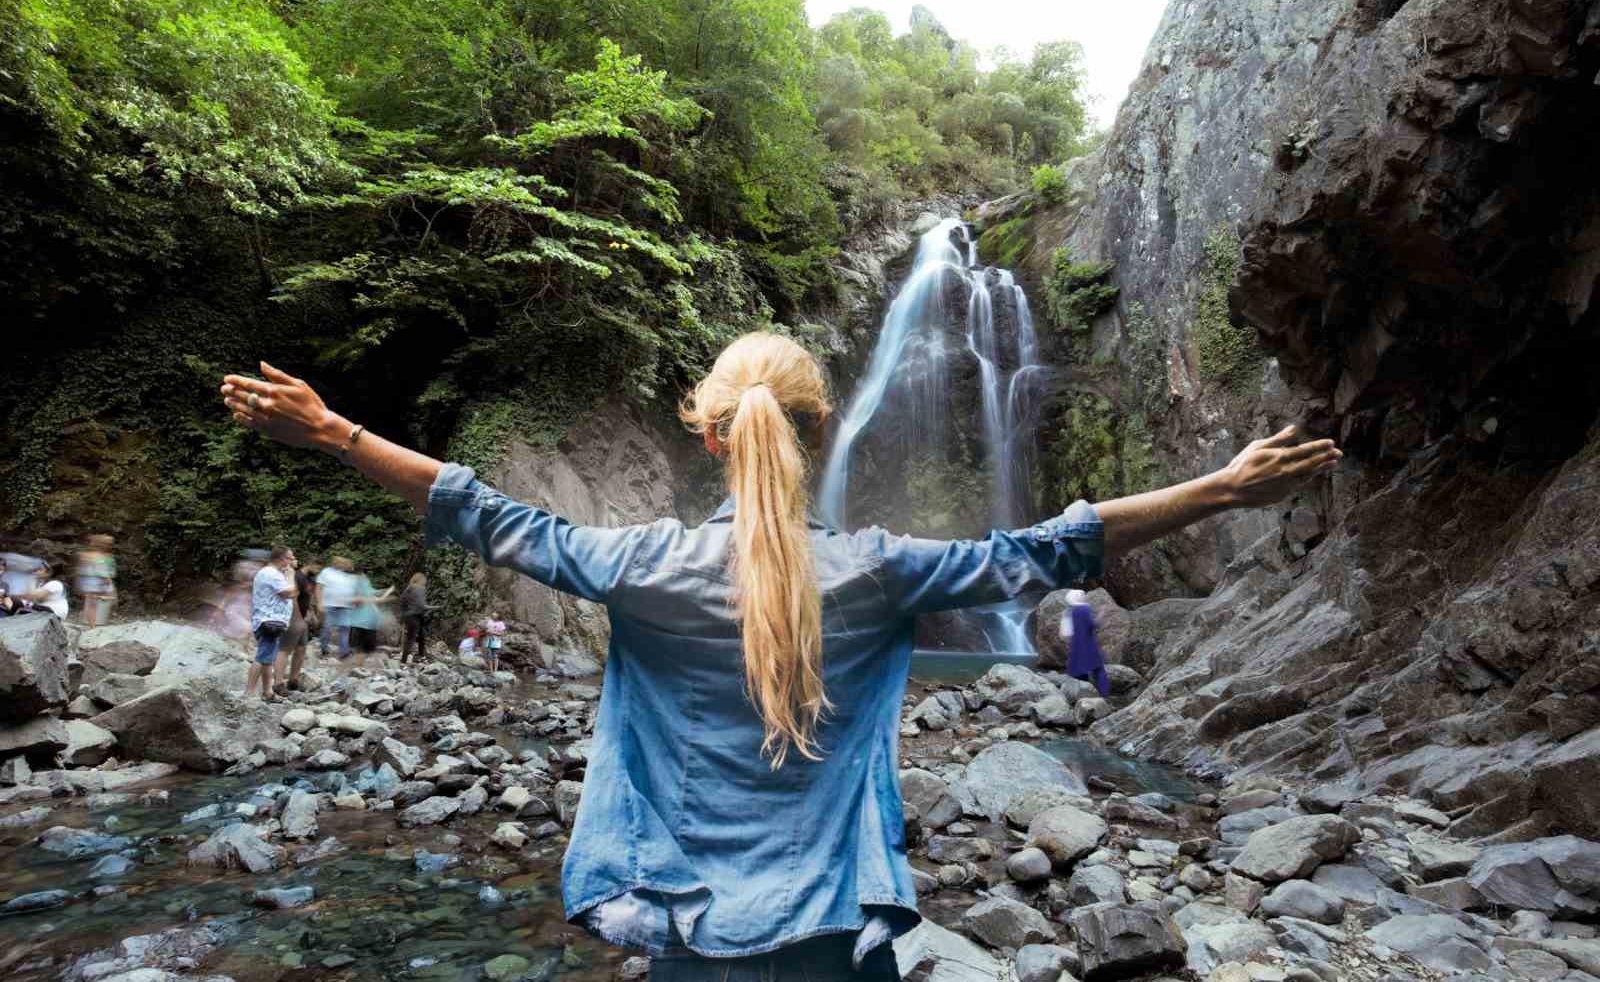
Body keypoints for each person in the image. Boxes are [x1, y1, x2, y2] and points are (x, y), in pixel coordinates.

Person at [221, 338, 1339, 976]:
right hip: (837, 933)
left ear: (708, 436)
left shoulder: (638, 563)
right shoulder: (881, 569)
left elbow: (488, 515)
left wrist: (331, 431)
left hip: (689, 928)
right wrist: (1225, 487)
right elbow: (1046, 548)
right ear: (812, 434)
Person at [248, 545, 297, 701]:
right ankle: (249, 693)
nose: (292, 561)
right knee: (262, 657)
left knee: (268, 658)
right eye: (290, 558)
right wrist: (290, 575)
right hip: (269, 620)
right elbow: (288, 592)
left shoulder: (269, 572)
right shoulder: (271, 574)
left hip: (267, 619)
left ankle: (268, 692)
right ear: (281, 558)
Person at [276, 558, 319, 691]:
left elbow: (307, 598)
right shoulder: (297, 576)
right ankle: (278, 683)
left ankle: (293, 681)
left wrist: (311, 613)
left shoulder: (309, 579)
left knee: (301, 649)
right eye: (318, 567)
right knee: (285, 649)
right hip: (293, 617)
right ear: (310, 564)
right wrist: (298, 618)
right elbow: (293, 597)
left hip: (303, 618)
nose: (319, 571)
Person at [316, 556, 356, 658]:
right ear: (335, 563)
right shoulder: (326, 572)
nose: (343, 565)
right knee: (327, 628)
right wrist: (319, 603)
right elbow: (319, 587)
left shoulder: (347, 576)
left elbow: (351, 591)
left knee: (345, 628)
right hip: (329, 605)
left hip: (345, 606)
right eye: (341, 563)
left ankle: (344, 652)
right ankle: (324, 649)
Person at [76, 534, 117, 627]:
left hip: (95, 582)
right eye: (107, 543)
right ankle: (93, 625)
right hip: (96, 582)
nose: (109, 545)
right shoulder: (96, 556)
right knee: (93, 604)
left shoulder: (102, 556)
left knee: (95, 603)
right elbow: (103, 572)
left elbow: (81, 570)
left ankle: (95, 623)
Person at [399, 572, 433, 665]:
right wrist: (435, 607)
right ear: (421, 580)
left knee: (421, 636)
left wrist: (402, 616)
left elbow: (402, 604)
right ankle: (404, 660)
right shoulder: (420, 589)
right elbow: (422, 605)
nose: (425, 582)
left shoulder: (408, 589)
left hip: (408, 617)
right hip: (416, 616)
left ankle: (420, 656)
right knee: (412, 638)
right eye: (424, 580)